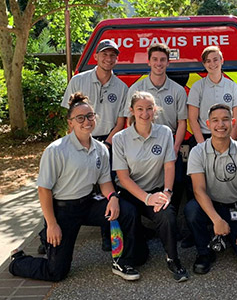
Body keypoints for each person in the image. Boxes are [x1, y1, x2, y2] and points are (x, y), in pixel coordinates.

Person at [9, 93, 142, 282]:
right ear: (70, 122)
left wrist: (112, 198)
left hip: (88, 204)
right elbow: (44, 190)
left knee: (126, 211)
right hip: (64, 210)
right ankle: (18, 260)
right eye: (80, 118)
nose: (86, 121)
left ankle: (122, 261)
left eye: (90, 116)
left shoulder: (101, 149)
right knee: (56, 272)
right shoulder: (56, 150)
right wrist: (52, 224)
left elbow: (104, 181)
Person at [113, 91, 189, 282]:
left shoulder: (164, 133)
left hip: (156, 190)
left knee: (167, 214)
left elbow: (169, 165)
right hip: (130, 193)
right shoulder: (120, 138)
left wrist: (167, 193)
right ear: (131, 111)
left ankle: (173, 259)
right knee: (140, 255)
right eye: (139, 109)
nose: (145, 113)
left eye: (149, 109)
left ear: (155, 110)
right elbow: (123, 177)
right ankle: (127, 259)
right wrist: (146, 198)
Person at [61, 39, 128, 251]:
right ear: (96, 57)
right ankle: (50, 233)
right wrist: (75, 141)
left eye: (112, 55)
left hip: (107, 140)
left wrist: (106, 145)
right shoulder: (78, 81)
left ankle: (108, 235)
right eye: (104, 54)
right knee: (67, 186)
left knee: (106, 188)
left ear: (116, 59)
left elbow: (120, 122)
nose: (109, 59)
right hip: (79, 138)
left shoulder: (122, 87)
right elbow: (69, 115)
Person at [184, 104, 237, 274]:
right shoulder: (197, 152)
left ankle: (230, 232)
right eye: (215, 120)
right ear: (208, 124)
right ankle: (205, 252)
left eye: (225, 119)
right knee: (191, 209)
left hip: (236, 207)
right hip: (210, 206)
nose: (221, 124)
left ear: (233, 122)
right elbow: (198, 190)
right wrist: (216, 219)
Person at [126, 43, 188, 211]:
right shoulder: (136, 89)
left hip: (169, 144)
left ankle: (170, 213)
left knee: (180, 179)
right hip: (142, 143)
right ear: (148, 62)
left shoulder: (178, 90)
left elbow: (182, 122)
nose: (158, 63)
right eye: (155, 59)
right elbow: (129, 121)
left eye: (162, 60)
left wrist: (175, 148)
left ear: (168, 62)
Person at [188, 46, 237, 145]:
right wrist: (202, 144)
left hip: (226, 136)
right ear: (204, 64)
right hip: (205, 136)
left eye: (215, 60)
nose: (212, 64)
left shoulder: (233, 87)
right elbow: (192, 118)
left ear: (222, 61)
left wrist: (230, 142)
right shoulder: (197, 87)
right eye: (208, 61)